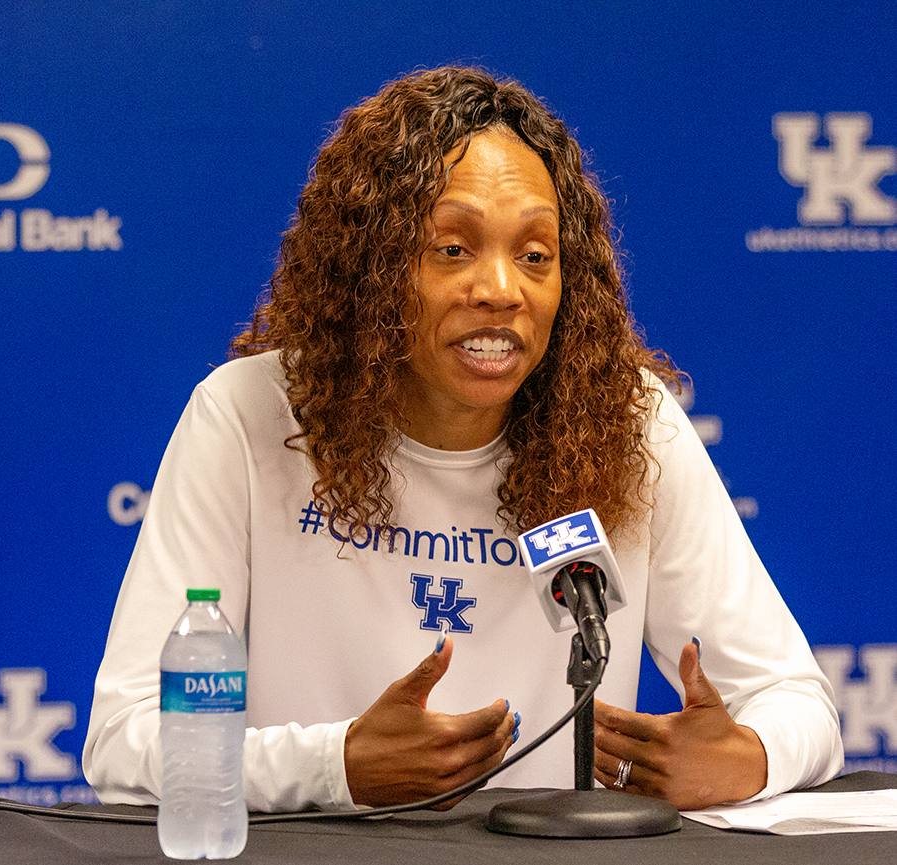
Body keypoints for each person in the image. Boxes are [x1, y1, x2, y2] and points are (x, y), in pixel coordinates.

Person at [83, 66, 843, 813]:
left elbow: (797, 701)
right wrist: (334, 766)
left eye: (536, 256)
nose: (502, 290)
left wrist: (748, 757)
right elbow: (124, 740)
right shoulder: (250, 417)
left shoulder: (630, 424)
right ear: (370, 267)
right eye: (453, 249)